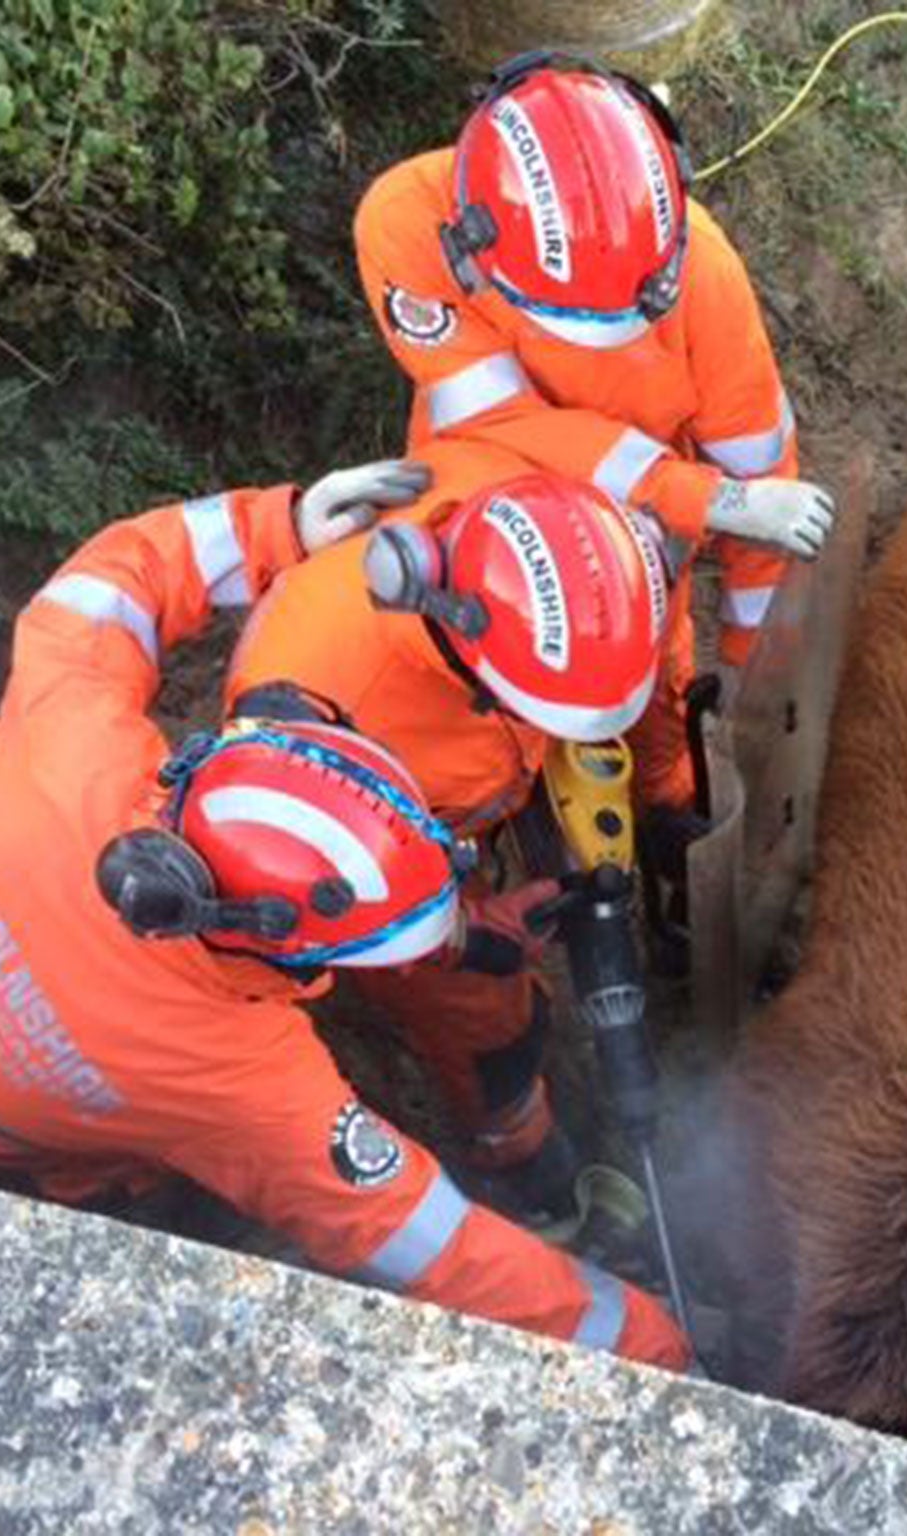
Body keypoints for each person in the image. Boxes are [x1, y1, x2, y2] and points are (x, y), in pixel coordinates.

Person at [0, 460, 690, 1370]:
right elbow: (433, 1246)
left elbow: (104, 587)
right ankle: (120, 1181)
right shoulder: (241, 1082)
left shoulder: (77, 749)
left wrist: (273, 530)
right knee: (170, 1183)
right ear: (292, 957)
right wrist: (652, 1341)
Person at [351, 50, 835, 816]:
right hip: (481, 512)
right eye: (571, 324)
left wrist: (751, 672)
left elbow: (766, 490)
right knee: (468, 696)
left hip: (637, 545)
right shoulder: (408, 221)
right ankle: (502, 802)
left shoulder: (703, 283)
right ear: (471, 253)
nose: (599, 341)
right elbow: (497, 424)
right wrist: (703, 498)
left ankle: (666, 800)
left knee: (646, 692)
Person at [226, 447, 678, 1221]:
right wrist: (469, 933)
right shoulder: (311, 727)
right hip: (383, 845)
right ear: (468, 647)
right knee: (481, 1018)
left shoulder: (560, 541)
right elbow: (340, 907)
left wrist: (664, 793)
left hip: (474, 769)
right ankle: (520, 1165)